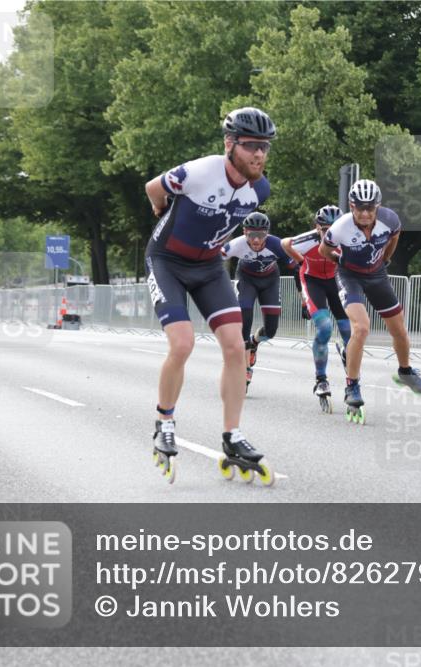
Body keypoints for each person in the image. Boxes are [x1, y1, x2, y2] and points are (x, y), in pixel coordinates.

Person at [142, 106, 277, 484]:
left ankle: (232, 435)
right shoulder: (199, 171)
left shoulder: (259, 190)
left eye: (265, 147)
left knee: (235, 347)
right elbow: (154, 188)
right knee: (182, 344)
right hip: (167, 260)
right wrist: (160, 209)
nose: (259, 154)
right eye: (251, 145)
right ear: (229, 144)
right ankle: (165, 421)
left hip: (208, 268)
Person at [319, 179, 421, 423]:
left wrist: (385, 259)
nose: (364, 213)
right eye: (359, 208)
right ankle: (352, 385)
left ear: (378, 207)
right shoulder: (340, 227)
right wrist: (339, 261)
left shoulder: (390, 220)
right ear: (351, 206)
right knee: (361, 328)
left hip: (377, 274)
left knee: (400, 330)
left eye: (369, 208)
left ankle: (405, 372)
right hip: (350, 276)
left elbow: (394, 237)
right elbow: (323, 250)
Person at [282, 204, 352, 411]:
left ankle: (352, 380)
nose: (329, 233)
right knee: (324, 329)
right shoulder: (309, 239)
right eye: (324, 229)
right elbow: (286, 243)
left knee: (350, 333)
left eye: (334, 228)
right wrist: (301, 261)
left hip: (336, 279)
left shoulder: (346, 238)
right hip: (312, 280)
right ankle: (321, 379)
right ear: (316, 227)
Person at [220, 211, 296, 388]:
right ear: (244, 233)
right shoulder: (236, 245)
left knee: (271, 331)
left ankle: (254, 343)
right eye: (251, 235)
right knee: (244, 320)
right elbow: (212, 261)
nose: (255, 240)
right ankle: (245, 369)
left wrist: (304, 297)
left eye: (260, 235)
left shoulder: (277, 244)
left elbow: (297, 267)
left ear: (267, 234)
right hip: (247, 279)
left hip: (270, 281)